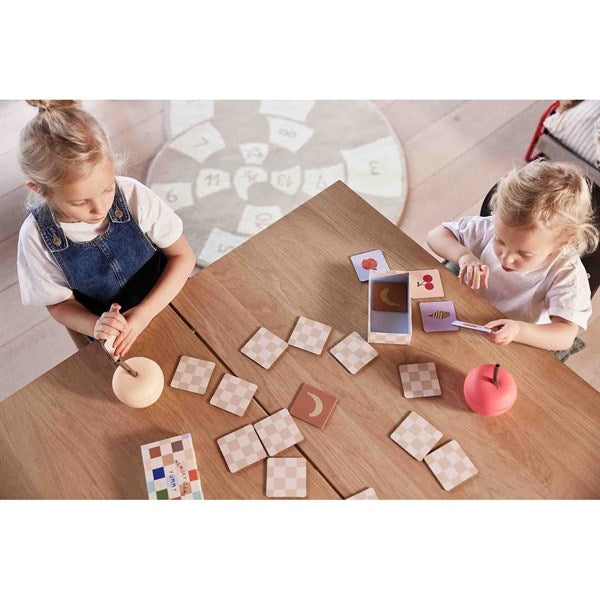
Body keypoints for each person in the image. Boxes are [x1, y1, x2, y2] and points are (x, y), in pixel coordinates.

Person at [17, 100, 196, 357]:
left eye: (107, 188)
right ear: (39, 189)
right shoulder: (35, 237)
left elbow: (183, 257)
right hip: (114, 338)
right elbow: (58, 304)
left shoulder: (133, 195)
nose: (100, 208)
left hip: (170, 300)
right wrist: (96, 325)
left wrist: (144, 313)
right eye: (80, 202)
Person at [426, 160, 598, 352]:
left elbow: (565, 337)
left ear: (562, 243)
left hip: (512, 338)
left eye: (524, 253)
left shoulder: (567, 273)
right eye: (499, 241)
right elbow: (435, 235)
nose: (506, 258)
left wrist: (519, 331)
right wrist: (464, 256)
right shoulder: (491, 227)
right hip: (467, 308)